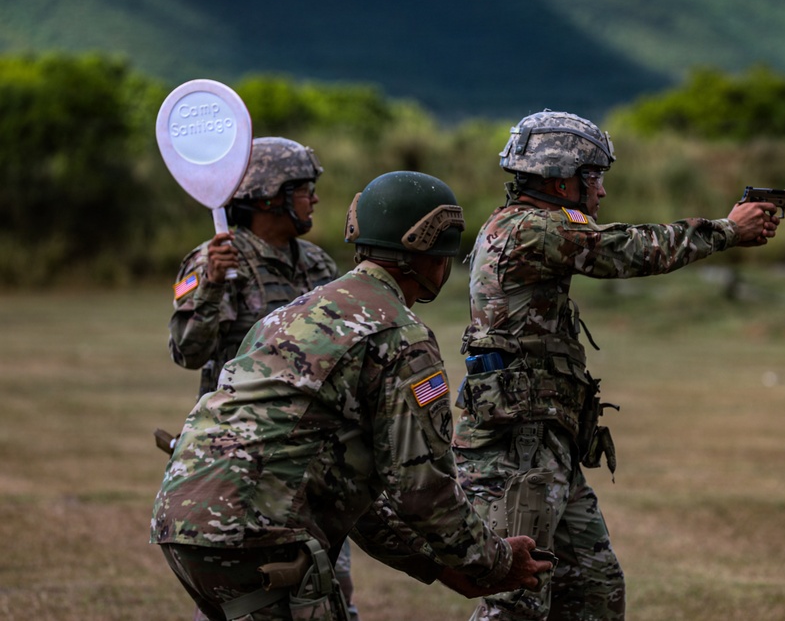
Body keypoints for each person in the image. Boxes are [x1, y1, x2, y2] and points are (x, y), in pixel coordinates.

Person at [151, 170, 553, 621]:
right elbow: (423, 491)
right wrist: (495, 561)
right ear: (431, 252)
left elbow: (362, 500)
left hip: (184, 520)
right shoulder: (402, 336)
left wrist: (441, 567)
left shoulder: (289, 315)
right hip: (262, 533)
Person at [452, 110, 781, 620]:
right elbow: (628, 250)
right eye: (594, 177)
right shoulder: (533, 230)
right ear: (562, 179)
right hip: (518, 448)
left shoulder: (526, 225)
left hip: (543, 439)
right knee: (516, 603)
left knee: (593, 589)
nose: (601, 192)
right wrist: (727, 230)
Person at [166, 136, 358, 618]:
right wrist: (211, 286)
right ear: (270, 196)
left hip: (309, 455)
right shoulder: (216, 261)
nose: (314, 199)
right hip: (241, 460)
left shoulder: (316, 263)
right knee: (244, 596)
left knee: (329, 585)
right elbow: (187, 353)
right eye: (304, 189)